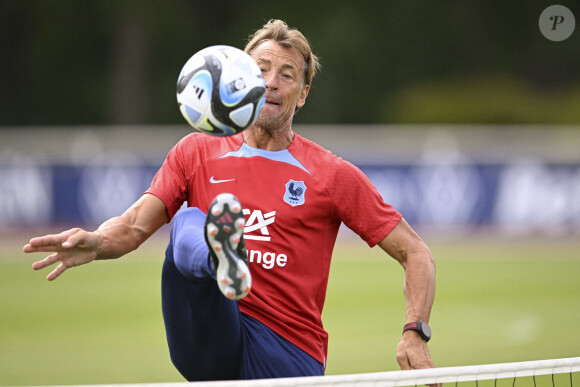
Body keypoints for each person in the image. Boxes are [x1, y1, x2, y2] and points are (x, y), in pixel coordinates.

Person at [23, 19, 438, 382]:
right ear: (241, 77)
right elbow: (133, 227)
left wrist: (414, 332)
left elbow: (415, 252)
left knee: (193, 220)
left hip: (287, 353)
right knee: (190, 221)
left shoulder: (330, 174)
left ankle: (219, 251)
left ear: (303, 93)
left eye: (288, 75)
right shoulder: (195, 152)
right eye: (261, 70)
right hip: (211, 335)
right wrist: (96, 242)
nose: (272, 81)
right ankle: (220, 258)